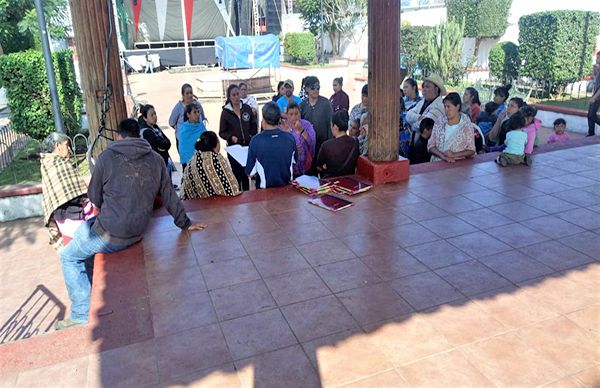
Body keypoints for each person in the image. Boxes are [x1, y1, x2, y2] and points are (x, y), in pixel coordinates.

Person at [55, 119, 206, 330]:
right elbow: (170, 195)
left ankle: (80, 314)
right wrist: (185, 223)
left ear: (118, 136)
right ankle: (89, 296)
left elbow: (94, 198)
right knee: (84, 232)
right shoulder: (155, 159)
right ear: (140, 135)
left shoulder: (106, 158)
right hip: (138, 230)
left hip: (110, 233)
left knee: (68, 256)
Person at [40, 132, 92, 251]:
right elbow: (74, 195)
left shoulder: (48, 163)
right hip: (70, 216)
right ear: (58, 146)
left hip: (71, 213)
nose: (69, 149)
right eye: (66, 145)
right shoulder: (57, 165)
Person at [245, 102, 297, 189]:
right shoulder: (290, 138)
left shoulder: (256, 141)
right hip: (287, 190)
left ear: (263, 120)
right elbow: (295, 160)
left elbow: (250, 172)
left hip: (265, 193)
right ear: (279, 120)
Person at [219, 84, 258, 191]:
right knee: (236, 174)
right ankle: (238, 196)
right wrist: (231, 137)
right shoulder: (225, 113)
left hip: (247, 147)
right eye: (233, 95)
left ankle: (246, 196)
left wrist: (251, 135)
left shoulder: (246, 108)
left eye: (237, 94)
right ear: (229, 97)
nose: (236, 97)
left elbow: (253, 124)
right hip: (234, 149)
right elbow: (222, 132)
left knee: (246, 173)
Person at [181, 131, 241, 199]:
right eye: (218, 142)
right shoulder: (215, 158)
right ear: (214, 145)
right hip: (212, 205)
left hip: (193, 204)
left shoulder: (193, 159)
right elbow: (233, 187)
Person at [427, 92, 476, 163]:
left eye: (449, 106)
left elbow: (471, 150)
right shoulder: (439, 122)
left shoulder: (466, 125)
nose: (446, 110)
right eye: (445, 107)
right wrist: (442, 156)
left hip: (458, 165)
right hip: (437, 163)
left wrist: (454, 155)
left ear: (457, 107)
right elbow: (431, 145)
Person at [300, 76, 333, 168]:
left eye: (318, 88)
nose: (315, 90)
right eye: (312, 88)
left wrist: (329, 145)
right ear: (306, 89)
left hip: (323, 145)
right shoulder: (302, 105)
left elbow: (331, 124)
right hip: (308, 146)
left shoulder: (326, 103)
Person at [316, 110, 359, 178]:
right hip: (350, 181)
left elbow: (319, 167)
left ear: (335, 127)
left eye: (331, 125)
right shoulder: (355, 142)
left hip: (331, 184)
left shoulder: (326, 146)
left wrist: (325, 167)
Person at [282, 102, 316, 177]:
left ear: (300, 113)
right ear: (287, 115)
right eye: (291, 114)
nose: (294, 117)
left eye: (296, 113)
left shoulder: (307, 125)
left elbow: (312, 143)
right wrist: (292, 149)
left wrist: (302, 130)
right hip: (290, 167)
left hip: (305, 165)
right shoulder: (283, 127)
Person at [168, 83, 207, 150]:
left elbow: (202, 118)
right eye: (187, 93)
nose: (190, 95)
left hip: (198, 141)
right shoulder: (178, 107)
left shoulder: (197, 104)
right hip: (184, 141)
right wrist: (180, 130)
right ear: (183, 95)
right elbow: (171, 122)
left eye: (191, 93)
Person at [178, 103, 207, 171]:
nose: (198, 114)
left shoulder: (201, 125)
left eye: (198, 112)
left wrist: (199, 139)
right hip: (188, 163)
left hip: (202, 159)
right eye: (194, 112)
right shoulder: (185, 129)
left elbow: (204, 137)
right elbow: (183, 147)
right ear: (188, 115)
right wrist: (198, 140)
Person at [587, 51, 600, 136]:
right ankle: (591, 133)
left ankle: (591, 133)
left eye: (598, 58)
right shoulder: (598, 69)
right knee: (590, 114)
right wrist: (594, 70)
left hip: (598, 96)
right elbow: (595, 79)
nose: (596, 59)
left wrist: (594, 98)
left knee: (591, 115)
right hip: (596, 94)